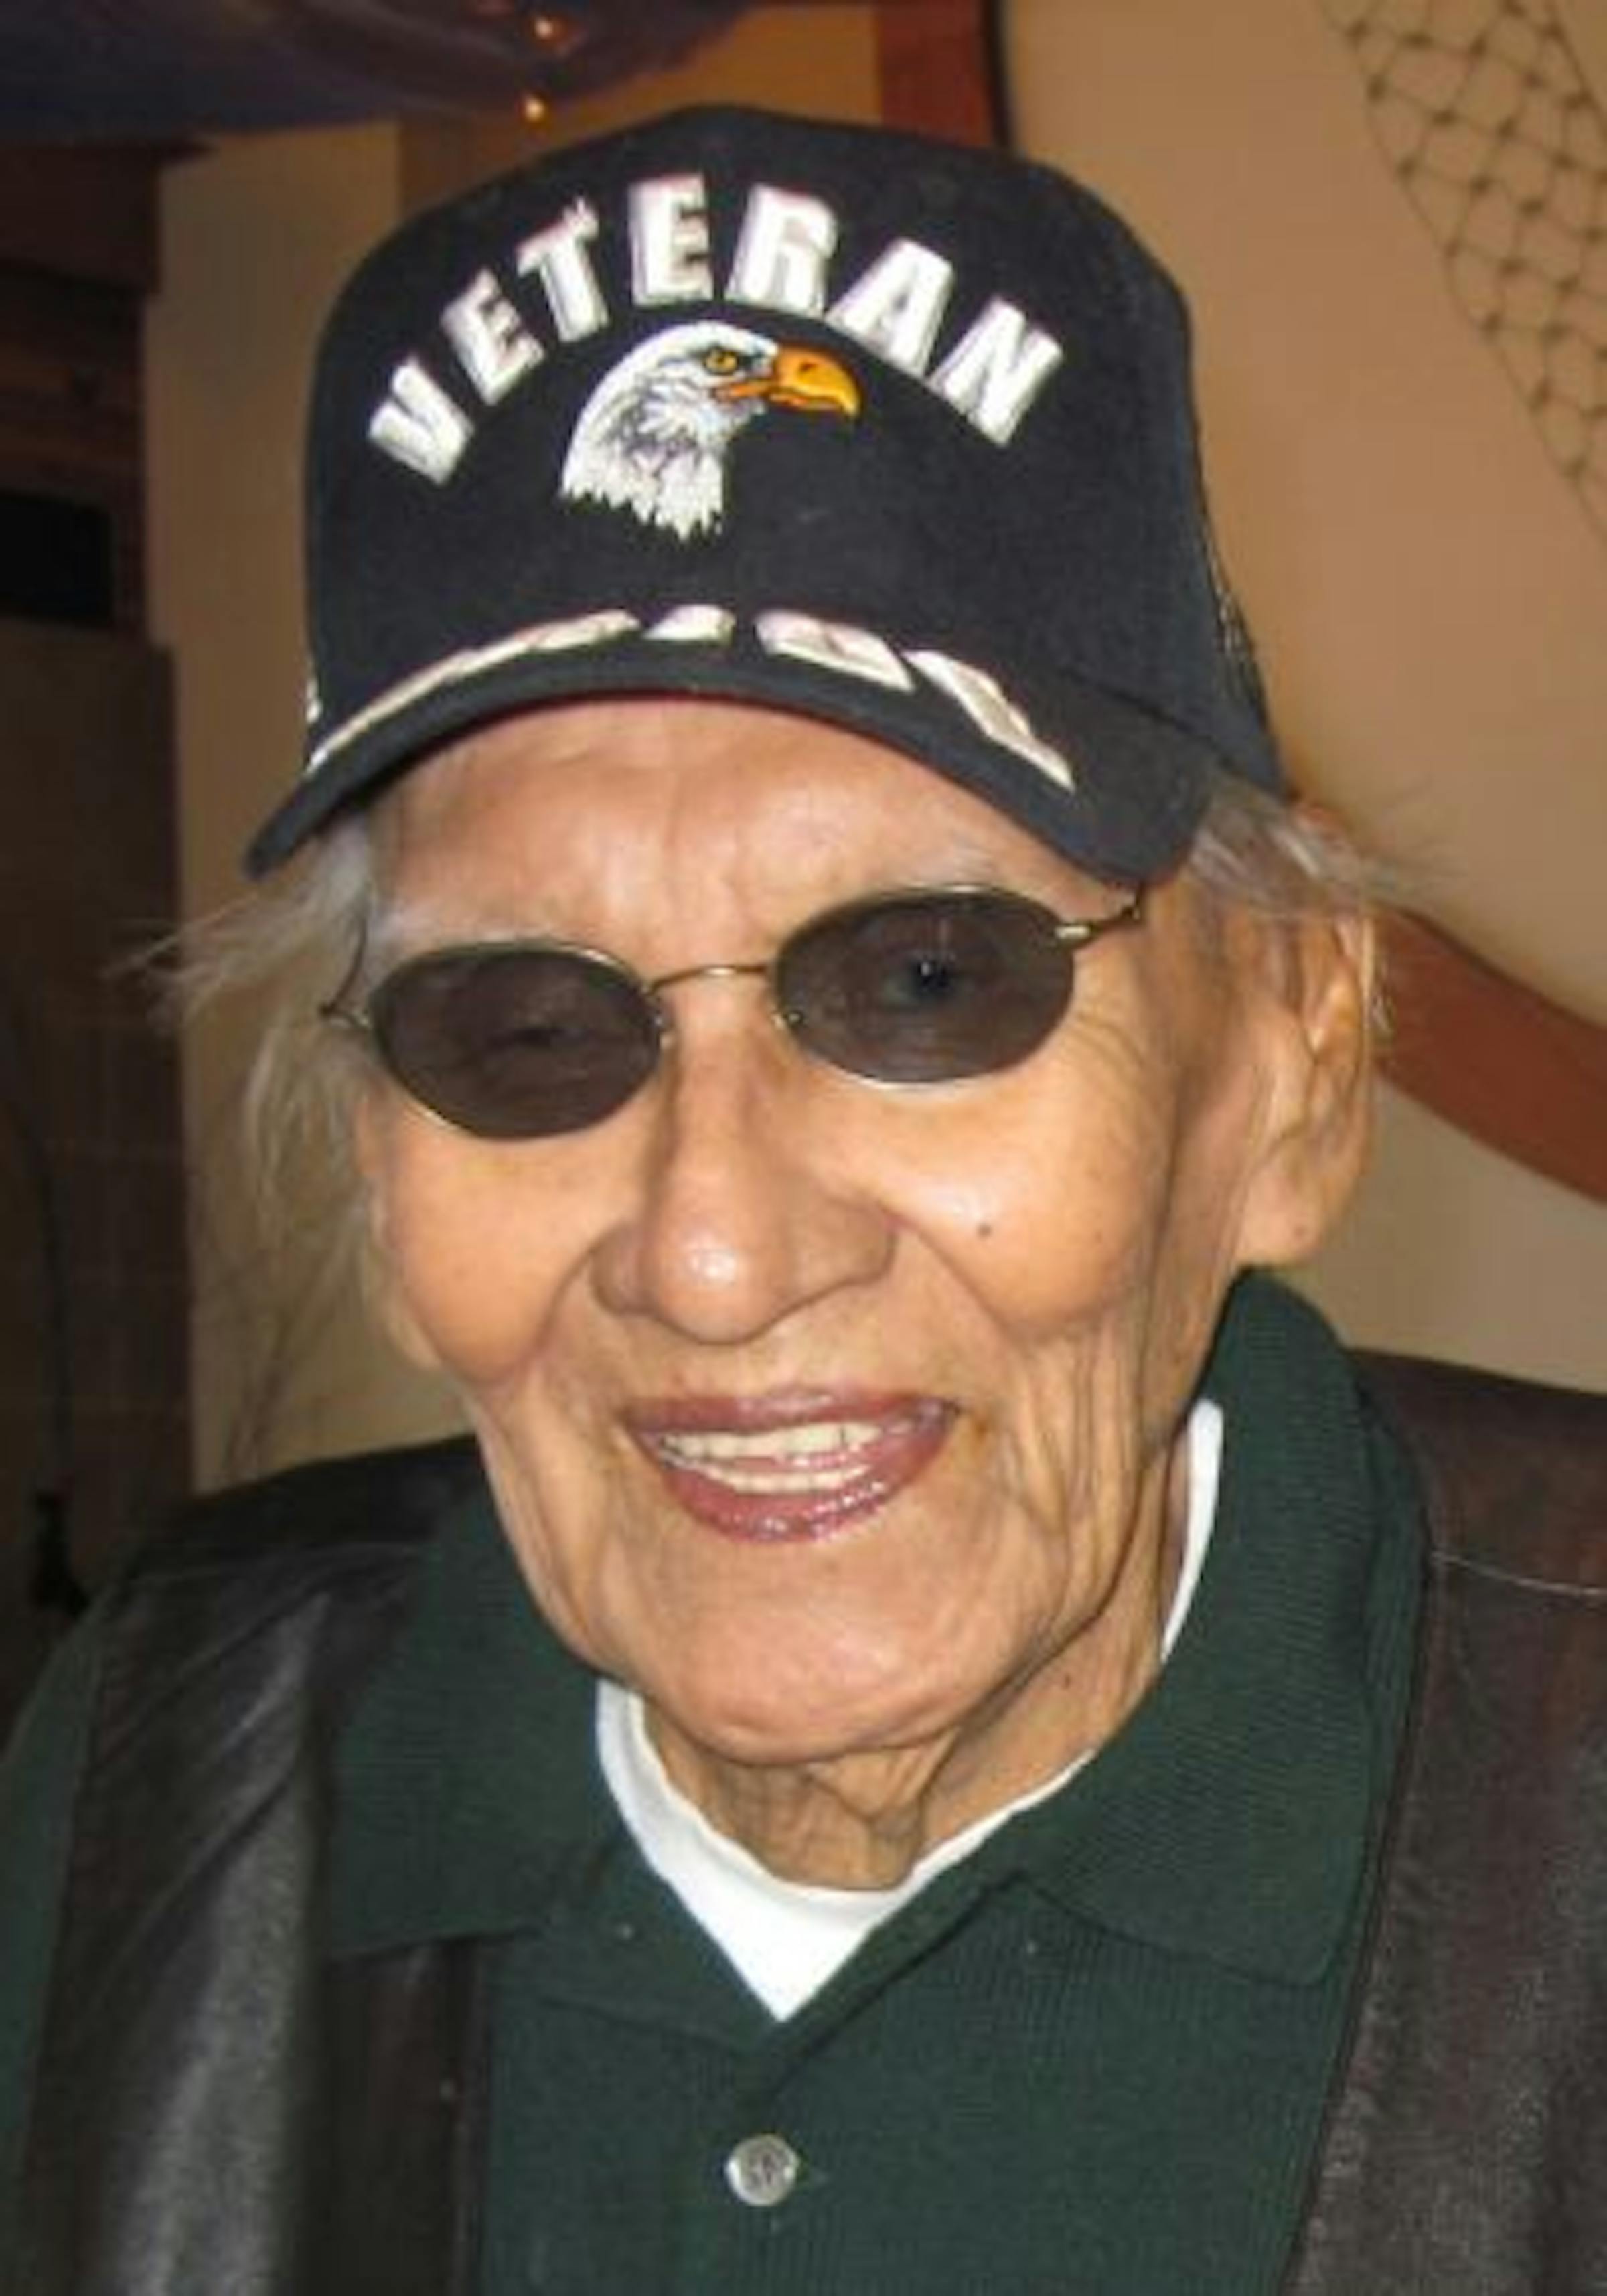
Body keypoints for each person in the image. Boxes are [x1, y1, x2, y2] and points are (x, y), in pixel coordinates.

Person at [1, 104, 1602, 2296]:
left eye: (928, 981)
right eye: (528, 1029)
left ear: (1296, 1062)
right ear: (378, 1153)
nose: (715, 1252)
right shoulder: (154, 1779)